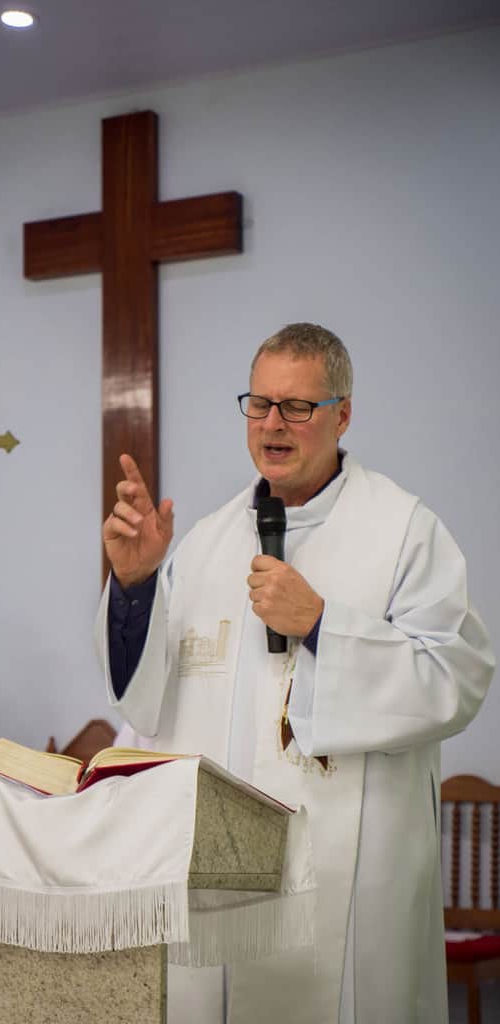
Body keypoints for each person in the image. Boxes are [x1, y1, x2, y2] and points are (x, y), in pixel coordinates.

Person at [96, 323, 495, 1024]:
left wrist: (321, 625)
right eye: (259, 404)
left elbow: (453, 680)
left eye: (296, 407)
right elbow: (149, 699)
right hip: (220, 872)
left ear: (342, 415)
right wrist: (134, 585)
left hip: (351, 873)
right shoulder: (207, 538)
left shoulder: (404, 530)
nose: (272, 424)